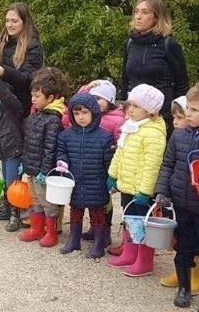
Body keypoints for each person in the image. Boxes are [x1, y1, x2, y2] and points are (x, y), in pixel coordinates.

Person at [154, 82, 199, 310]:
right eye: (188, 108)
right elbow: (168, 164)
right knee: (182, 247)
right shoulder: (178, 135)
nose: (188, 114)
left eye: (194, 110)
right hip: (180, 202)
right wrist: (161, 191)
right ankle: (184, 287)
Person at [107, 83, 167, 277]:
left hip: (141, 189)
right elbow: (120, 152)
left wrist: (146, 190)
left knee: (143, 223)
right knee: (130, 220)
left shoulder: (153, 133)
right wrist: (113, 175)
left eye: (136, 106)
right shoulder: (130, 127)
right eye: (130, 104)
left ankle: (145, 260)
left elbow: (153, 165)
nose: (130, 109)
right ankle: (130, 252)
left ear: (150, 112)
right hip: (128, 185)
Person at [56, 93, 115, 258]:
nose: (80, 117)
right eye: (76, 113)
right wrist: (62, 162)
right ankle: (74, 240)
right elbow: (61, 152)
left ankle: (98, 244)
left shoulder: (105, 137)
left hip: (96, 182)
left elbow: (109, 161)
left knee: (97, 212)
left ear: (93, 113)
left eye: (84, 113)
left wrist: (111, 180)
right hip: (74, 181)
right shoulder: (65, 136)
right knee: (75, 210)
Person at [119, 0, 189, 132]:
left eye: (145, 12)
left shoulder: (169, 44)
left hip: (162, 116)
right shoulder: (130, 44)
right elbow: (125, 81)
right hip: (134, 116)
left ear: (157, 17)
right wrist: (125, 109)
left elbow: (182, 83)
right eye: (136, 12)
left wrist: (179, 115)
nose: (138, 16)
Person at [18, 67, 68, 247]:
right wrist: (24, 163)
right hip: (31, 167)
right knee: (34, 200)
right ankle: (36, 229)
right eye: (32, 95)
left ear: (51, 98)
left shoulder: (54, 119)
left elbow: (50, 148)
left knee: (47, 202)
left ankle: (51, 232)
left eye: (37, 96)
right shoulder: (34, 117)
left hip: (43, 170)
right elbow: (28, 142)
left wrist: (45, 171)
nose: (33, 99)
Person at [77, 79, 125, 247]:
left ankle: (105, 232)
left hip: (107, 165)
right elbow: (77, 104)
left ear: (110, 100)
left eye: (99, 99)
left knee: (104, 201)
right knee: (92, 200)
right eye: (93, 99)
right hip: (91, 163)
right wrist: (86, 88)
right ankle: (94, 228)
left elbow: (121, 142)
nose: (94, 103)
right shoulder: (91, 115)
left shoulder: (117, 119)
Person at [0, 3, 44, 118]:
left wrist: (3, 72)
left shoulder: (33, 45)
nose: (9, 25)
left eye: (14, 21)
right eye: (7, 21)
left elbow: (29, 78)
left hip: (21, 107)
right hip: (0, 105)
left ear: (24, 22)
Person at [0, 77, 24, 232]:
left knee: (13, 183)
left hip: (14, 151)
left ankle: (16, 215)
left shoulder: (13, 108)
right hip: (3, 151)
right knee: (6, 182)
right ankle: (8, 209)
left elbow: (8, 97)